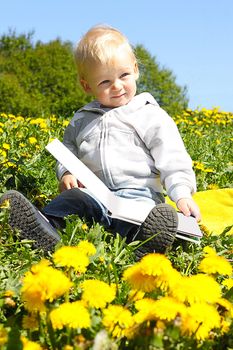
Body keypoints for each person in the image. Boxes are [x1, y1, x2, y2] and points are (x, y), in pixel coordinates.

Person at [0, 25, 201, 259]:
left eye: (123, 75)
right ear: (87, 86)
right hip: (94, 194)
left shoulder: (150, 115)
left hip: (139, 196)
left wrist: (182, 193)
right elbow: (68, 152)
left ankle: (145, 245)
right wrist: (66, 172)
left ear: (135, 70)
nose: (117, 86)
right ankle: (45, 228)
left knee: (150, 217)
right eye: (105, 82)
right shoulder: (82, 119)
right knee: (70, 201)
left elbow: (172, 158)